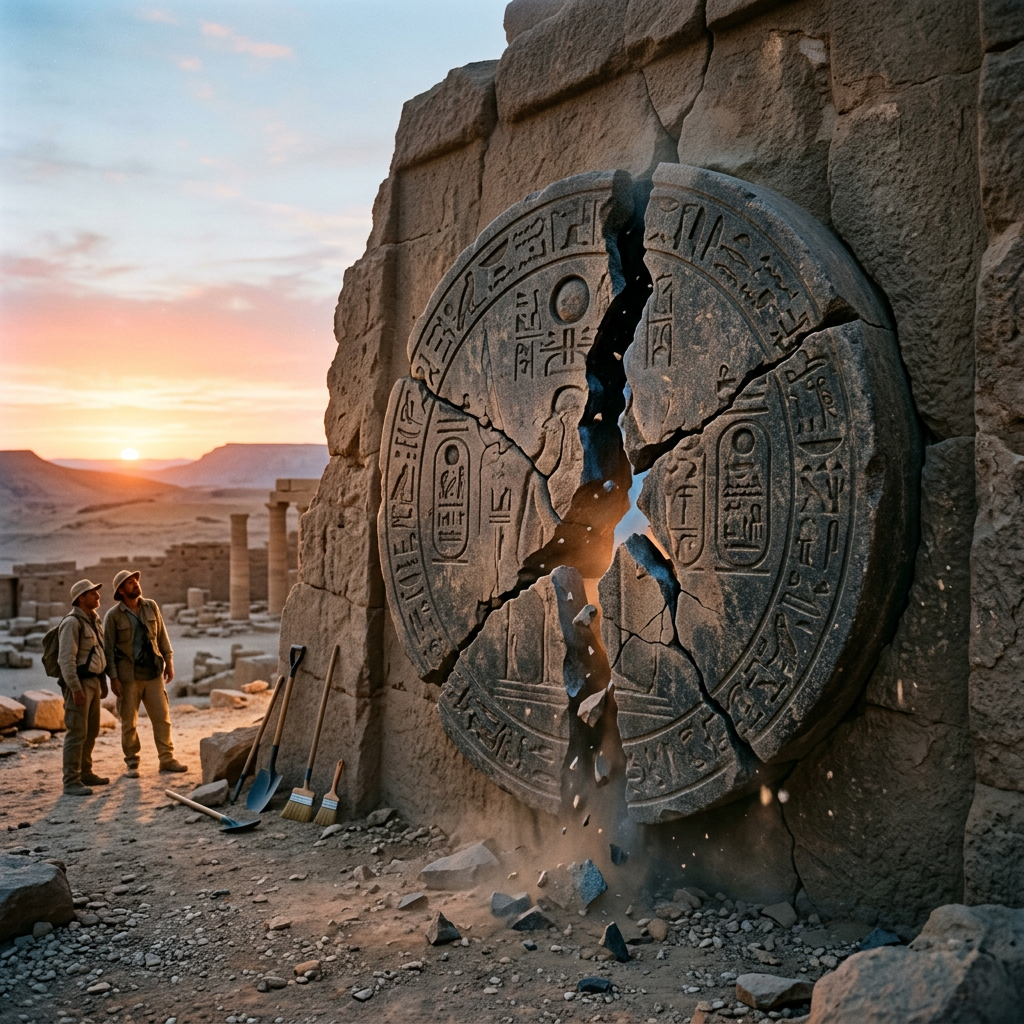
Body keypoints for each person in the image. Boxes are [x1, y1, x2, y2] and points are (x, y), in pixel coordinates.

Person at [103, 569, 187, 777]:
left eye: (135, 581)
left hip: (153, 673)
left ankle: (166, 759)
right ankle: (132, 763)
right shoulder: (113, 616)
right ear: (121, 591)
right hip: (127, 676)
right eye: (130, 583)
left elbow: (162, 636)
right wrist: (113, 678)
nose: (135, 584)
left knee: (162, 718)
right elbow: (108, 649)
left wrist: (169, 661)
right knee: (129, 723)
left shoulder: (151, 606)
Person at [58, 579, 110, 796]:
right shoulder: (72, 623)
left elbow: (98, 652)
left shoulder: (93, 620)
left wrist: (103, 680)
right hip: (79, 684)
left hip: (93, 682)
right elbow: (66, 660)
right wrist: (76, 689)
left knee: (91, 730)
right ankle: (71, 781)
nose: (97, 596)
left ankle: (86, 772)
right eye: (92, 593)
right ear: (81, 598)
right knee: (77, 732)